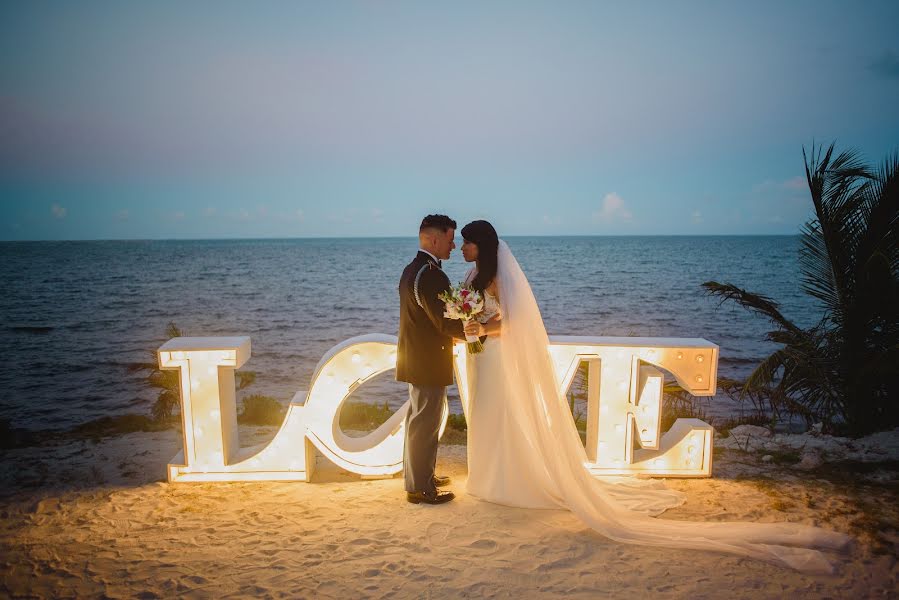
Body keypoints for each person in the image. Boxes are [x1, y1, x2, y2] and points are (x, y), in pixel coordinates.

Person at [458, 219, 851, 573]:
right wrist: (470, 322)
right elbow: (483, 315)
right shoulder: (475, 274)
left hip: (495, 355)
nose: (463, 249)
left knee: (503, 412)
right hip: (482, 358)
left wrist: (481, 328)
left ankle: (507, 479)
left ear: (482, 245)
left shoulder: (496, 277)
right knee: (486, 412)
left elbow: (511, 320)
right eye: (460, 244)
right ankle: (488, 475)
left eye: (467, 243)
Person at [396, 214, 465, 505]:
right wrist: (476, 331)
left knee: (419, 420)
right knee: (425, 423)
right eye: (450, 240)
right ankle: (420, 489)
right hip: (427, 360)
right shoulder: (432, 274)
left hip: (415, 357)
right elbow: (443, 322)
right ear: (435, 239)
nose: (453, 246)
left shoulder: (412, 269)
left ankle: (419, 476)